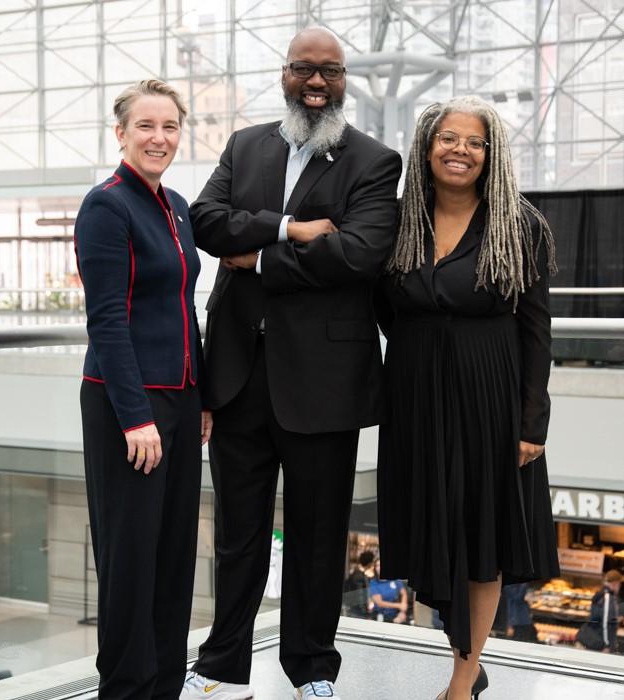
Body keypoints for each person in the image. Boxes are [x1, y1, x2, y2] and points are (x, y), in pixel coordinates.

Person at [182, 26, 401, 700]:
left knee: (318, 535)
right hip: (239, 375)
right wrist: (290, 230)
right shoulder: (247, 144)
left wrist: (257, 255)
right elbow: (205, 223)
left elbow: (358, 253)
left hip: (325, 385)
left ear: (344, 81)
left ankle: (312, 668)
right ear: (284, 73)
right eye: (304, 68)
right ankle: (222, 667)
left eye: (329, 71)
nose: (316, 82)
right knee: (237, 538)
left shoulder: (375, 160)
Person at [375, 95, 560, 700]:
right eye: (449, 138)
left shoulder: (519, 225)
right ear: (426, 147)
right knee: (434, 530)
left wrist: (532, 423)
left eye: (475, 142)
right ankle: (466, 657)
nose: (461, 150)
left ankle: (462, 679)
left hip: (491, 401)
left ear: (492, 153)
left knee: (481, 536)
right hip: (417, 401)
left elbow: (536, 331)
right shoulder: (398, 220)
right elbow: (381, 309)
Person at [75, 79, 212, 700]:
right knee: (130, 557)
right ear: (121, 134)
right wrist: (135, 417)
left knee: (175, 553)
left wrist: (201, 396)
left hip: (179, 400)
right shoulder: (106, 206)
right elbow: (106, 318)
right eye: (146, 126)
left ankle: (162, 686)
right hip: (129, 405)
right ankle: (127, 688)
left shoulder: (176, 205)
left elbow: (185, 308)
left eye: (170, 127)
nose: (160, 138)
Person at [577, 569, 622, 653]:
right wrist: (607, 645)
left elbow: (597, 617)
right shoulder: (608, 597)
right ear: (616, 583)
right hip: (599, 642)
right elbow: (606, 623)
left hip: (592, 638)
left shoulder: (600, 594)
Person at [369, 559, 408, 623]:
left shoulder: (394, 579)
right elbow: (379, 603)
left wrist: (402, 612)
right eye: (377, 565)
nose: (379, 568)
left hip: (395, 614)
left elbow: (403, 593)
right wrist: (399, 605)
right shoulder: (373, 583)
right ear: (375, 568)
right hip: (380, 616)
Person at [343, 550, 376, 619]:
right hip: (357, 613)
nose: (373, 563)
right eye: (372, 561)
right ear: (369, 563)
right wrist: (365, 613)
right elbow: (359, 597)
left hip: (355, 610)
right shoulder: (359, 576)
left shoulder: (358, 573)